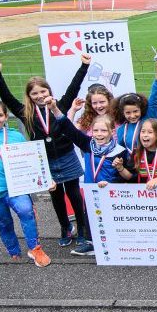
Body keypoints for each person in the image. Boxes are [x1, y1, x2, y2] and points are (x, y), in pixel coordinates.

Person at [0, 56, 90, 252]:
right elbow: (7, 98)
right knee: (56, 197)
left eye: (43, 91)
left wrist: (84, 66)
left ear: (49, 92)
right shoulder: (25, 113)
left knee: (74, 194)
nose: (39, 95)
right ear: (29, 95)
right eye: (34, 93)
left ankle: (82, 231)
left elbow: (74, 87)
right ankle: (65, 228)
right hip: (44, 161)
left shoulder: (59, 105)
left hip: (67, 156)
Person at [48, 97, 129, 255]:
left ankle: (117, 245)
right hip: (92, 192)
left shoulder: (120, 151)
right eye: (96, 130)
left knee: (112, 218)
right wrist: (54, 109)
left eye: (104, 130)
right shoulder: (87, 144)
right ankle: (91, 243)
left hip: (112, 193)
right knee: (90, 217)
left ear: (112, 132)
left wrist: (115, 178)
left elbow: (125, 176)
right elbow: (68, 128)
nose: (99, 134)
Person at [0, 100, 51, 267]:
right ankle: (14, 252)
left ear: (6, 117)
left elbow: (32, 162)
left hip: (16, 188)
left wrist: (47, 179)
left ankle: (35, 249)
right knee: (3, 224)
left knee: (27, 211)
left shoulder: (16, 136)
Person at [113, 60, 157, 155]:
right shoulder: (121, 130)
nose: (132, 116)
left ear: (141, 109)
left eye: (135, 111)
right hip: (132, 167)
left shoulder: (149, 118)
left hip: (152, 165)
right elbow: (121, 152)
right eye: (128, 113)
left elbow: (154, 96)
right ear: (122, 113)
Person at [115, 118, 157, 189]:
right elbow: (129, 176)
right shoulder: (136, 153)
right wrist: (120, 168)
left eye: (150, 132)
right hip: (140, 195)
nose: (145, 135)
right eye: (143, 131)